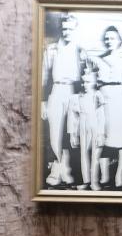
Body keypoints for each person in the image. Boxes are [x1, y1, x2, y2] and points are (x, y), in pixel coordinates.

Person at [40, 12, 82, 189]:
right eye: (64, 29)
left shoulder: (80, 51)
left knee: (69, 133)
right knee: (55, 133)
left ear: (75, 30)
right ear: (61, 30)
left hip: (74, 92)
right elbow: (43, 77)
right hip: (56, 91)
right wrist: (43, 102)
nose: (67, 32)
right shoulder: (51, 50)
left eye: (70, 29)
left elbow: (86, 76)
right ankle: (56, 170)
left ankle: (66, 168)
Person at [93, 24, 122, 189]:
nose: (109, 41)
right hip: (103, 98)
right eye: (107, 38)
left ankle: (119, 175)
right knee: (103, 136)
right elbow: (94, 80)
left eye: (113, 38)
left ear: (119, 40)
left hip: (121, 98)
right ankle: (104, 176)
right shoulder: (98, 59)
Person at [66, 57, 106, 190]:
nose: (85, 84)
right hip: (83, 126)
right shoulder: (77, 97)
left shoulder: (98, 96)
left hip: (95, 126)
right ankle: (86, 180)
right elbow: (73, 117)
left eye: (88, 81)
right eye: (83, 82)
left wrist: (101, 133)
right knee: (84, 154)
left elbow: (101, 117)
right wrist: (73, 134)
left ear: (95, 81)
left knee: (95, 155)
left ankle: (94, 181)